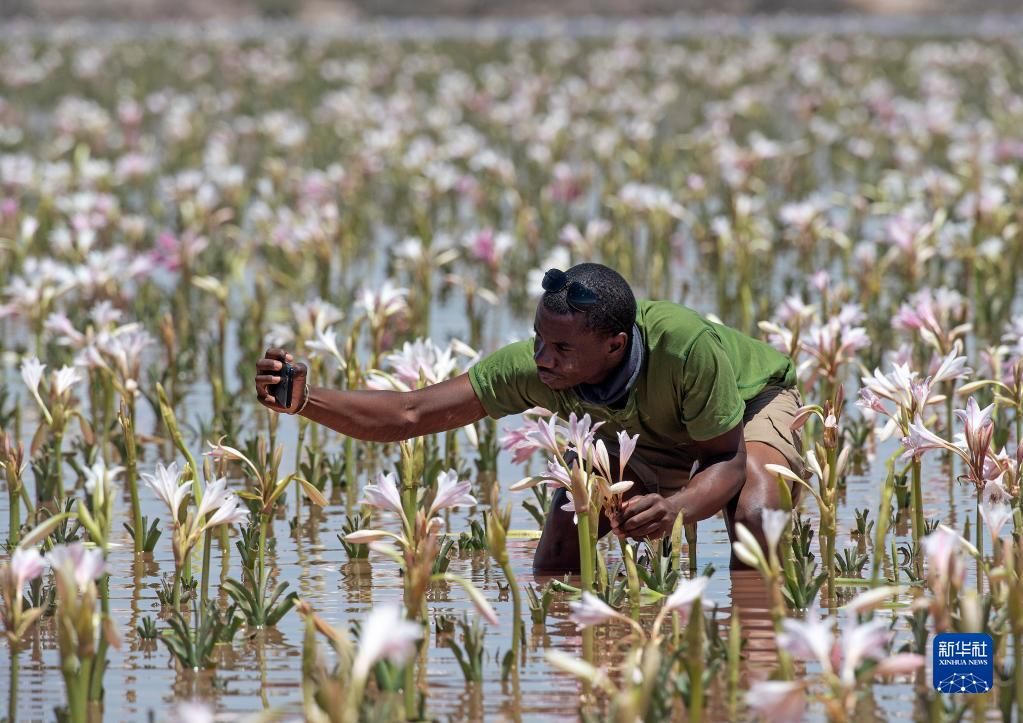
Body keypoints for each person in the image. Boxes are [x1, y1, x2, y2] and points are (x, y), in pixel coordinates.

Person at [254, 263, 806, 571]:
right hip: (642, 430)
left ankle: (752, 645)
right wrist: (306, 399)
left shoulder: (686, 348)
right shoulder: (537, 367)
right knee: (562, 543)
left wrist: (675, 509)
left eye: (561, 348)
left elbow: (726, 461)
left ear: (615, 345)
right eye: (539, 338)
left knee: (755, 510)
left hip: (748, 404)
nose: (542, 358)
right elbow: (410, 412)